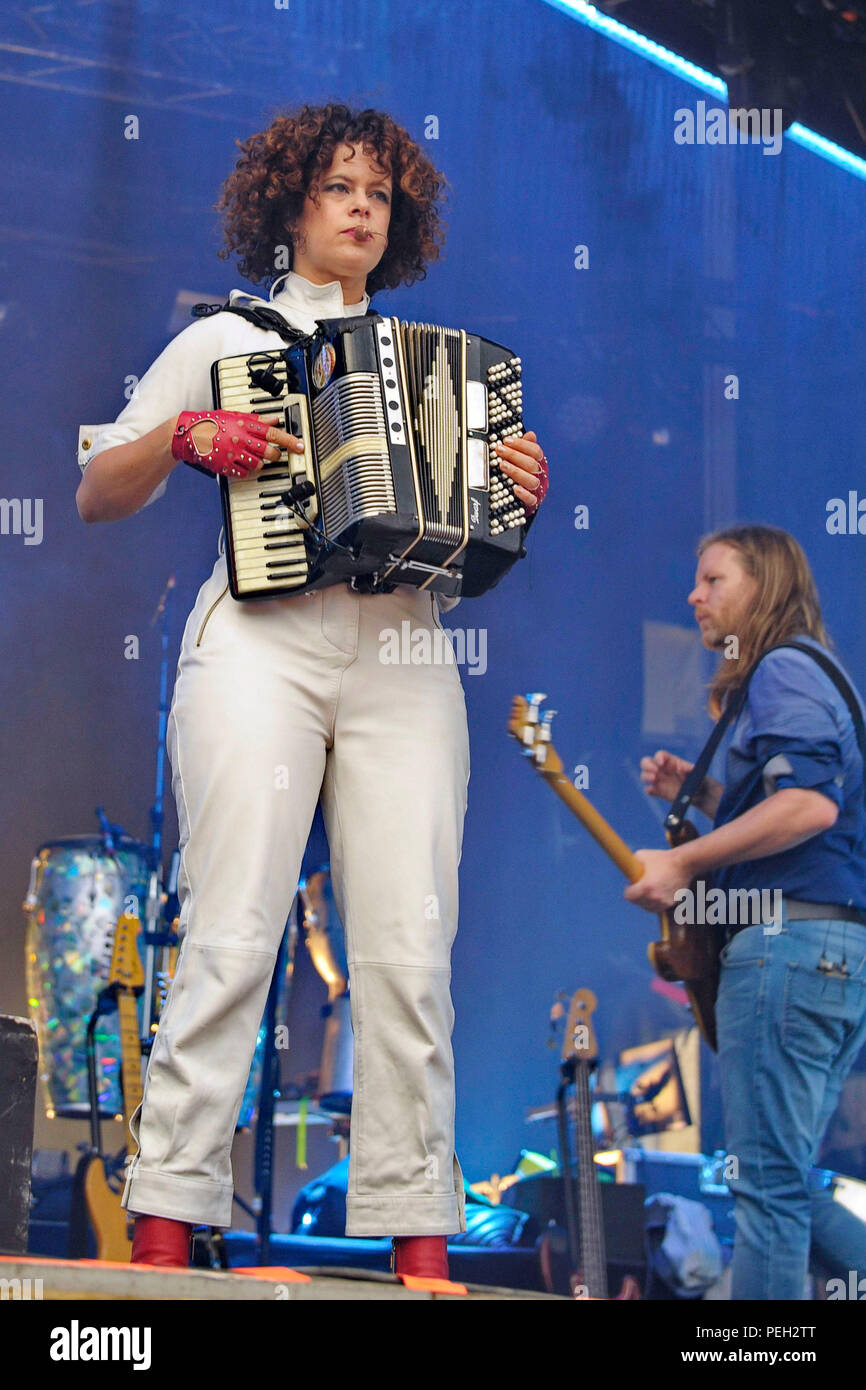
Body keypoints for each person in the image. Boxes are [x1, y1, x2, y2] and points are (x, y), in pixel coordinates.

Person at [76, 102, 549, 1280]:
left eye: (378, 194)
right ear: (286, 204)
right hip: (260, 642)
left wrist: (513, 489)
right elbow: (95, 487)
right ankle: (166, 1224)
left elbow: (470, 543)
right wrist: (187, 432)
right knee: (232, 927)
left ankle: (421, 1241)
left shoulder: (433, 364)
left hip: (402, 650)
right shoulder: (223, 336)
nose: (358, 207)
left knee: (407, 948)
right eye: (337, 186)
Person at [625, 524, 866, 1300]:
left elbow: (807, 807)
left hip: (786, 949)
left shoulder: (783, 669)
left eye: (712, 580)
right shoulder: (814, 674)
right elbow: (790, 810)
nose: (693, 596)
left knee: (764, 1185)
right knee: (783, 1178)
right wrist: (696, 795)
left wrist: (682, 860)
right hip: (829, 946)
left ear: (762, 586)